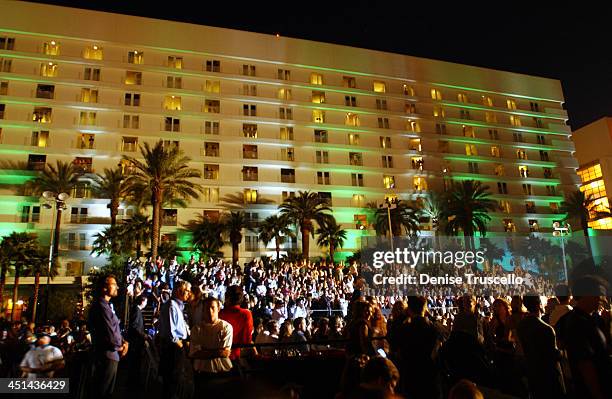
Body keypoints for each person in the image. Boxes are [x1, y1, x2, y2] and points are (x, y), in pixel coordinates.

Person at [558, 275, 611, 399]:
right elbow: (585, 364)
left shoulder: (590, 318)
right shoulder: (578, 323)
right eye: (598, 295)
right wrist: (598, 394)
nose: (601, 300)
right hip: (591, 391)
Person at [516, 295, 565, 399]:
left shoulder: (521, 326)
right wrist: (562, 351)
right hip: (549, 375)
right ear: (539, 305)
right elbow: (554, 355)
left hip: (533, 372)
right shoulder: (546, 328)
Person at [88, 275, 129, 399]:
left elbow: (114, 329)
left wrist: (123, 341)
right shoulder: (101, 307)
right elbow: (109, 331)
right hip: (107, 355)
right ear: (104, 288)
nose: (117, 287)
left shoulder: (107, 306)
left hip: (111, 353)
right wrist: (120, 346)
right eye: (114, 284)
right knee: (103, 391)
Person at [396, 295, 442, 399]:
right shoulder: (434, 328)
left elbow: (396, 347)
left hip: (410, 375)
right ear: (425, 308)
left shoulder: (404, 329)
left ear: (409, 309)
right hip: (429, 376)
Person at [189, 297, 233, 396]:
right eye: (206, 308)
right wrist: (218, 352)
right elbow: (194, 353)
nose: (210, 311)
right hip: (202, 373)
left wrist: (204, 351)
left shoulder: (226, 327)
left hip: (222, 372)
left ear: (218, 309)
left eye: (212, 307)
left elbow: (225, 353)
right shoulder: (197, 329)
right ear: (203, 311)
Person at [157, 280, 192, 399]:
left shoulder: (177, 306)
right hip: (174, 349)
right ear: (178, 291)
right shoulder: (172, 306)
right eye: (187, 291)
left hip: (176, 348)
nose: (189, 293)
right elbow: (172, 335)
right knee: (173, 383)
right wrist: (183, 347)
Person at [219, 285, 255, 364]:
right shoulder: (246, 314)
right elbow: (247, 340)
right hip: (236, 356)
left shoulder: (219, 313)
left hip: (218, 355)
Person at [127, 295, 148, 389]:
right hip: (135, 342)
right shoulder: (136, 310)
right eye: (146, 302)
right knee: (135, 363)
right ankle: (134, 383)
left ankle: (133, 382)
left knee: (135, 363)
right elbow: (134, 326)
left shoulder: (137, 310)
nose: (146, 304)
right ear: (142, 301)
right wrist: (143, 335)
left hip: (136, 341)